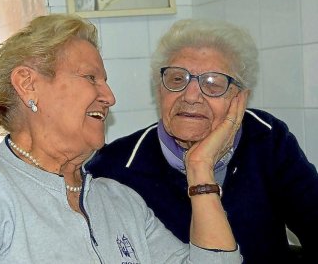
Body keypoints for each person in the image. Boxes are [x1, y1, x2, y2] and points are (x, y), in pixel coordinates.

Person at [0, 14, 243, 263]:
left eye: (105, 81)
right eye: (90, 77)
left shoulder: (120, 202)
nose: (109, 97)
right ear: (28, 84)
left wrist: (199, 171)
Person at [85, 19, 318, 264]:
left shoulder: (266, 138)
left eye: (213, 84)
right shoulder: (115, 168)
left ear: (239, 99)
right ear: (159, 90)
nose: (191, 96)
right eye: (177, 79)